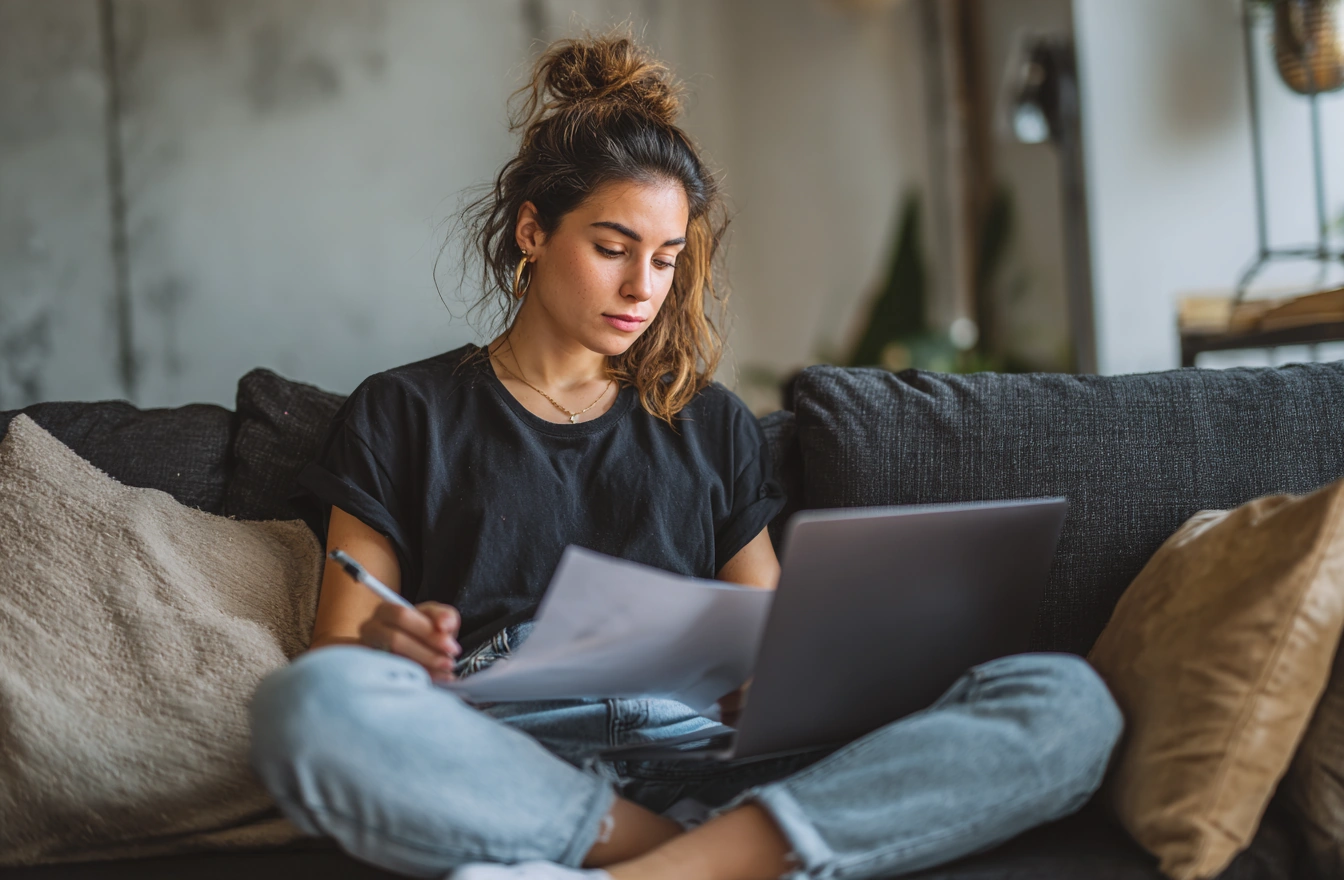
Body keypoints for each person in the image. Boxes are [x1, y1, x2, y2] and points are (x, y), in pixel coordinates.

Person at [249, 32, 1122, 880]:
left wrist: (782, 687)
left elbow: (779, 652)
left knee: (1066, 702)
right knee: (308, 707)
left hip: (705, 755)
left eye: (665, 260)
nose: (642, 288)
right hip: (509, 759)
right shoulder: (403, 411)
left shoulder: (709, 424)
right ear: (531, 231)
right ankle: (715, 858)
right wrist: (388, 645)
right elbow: (340, 653)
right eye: (611, 248)